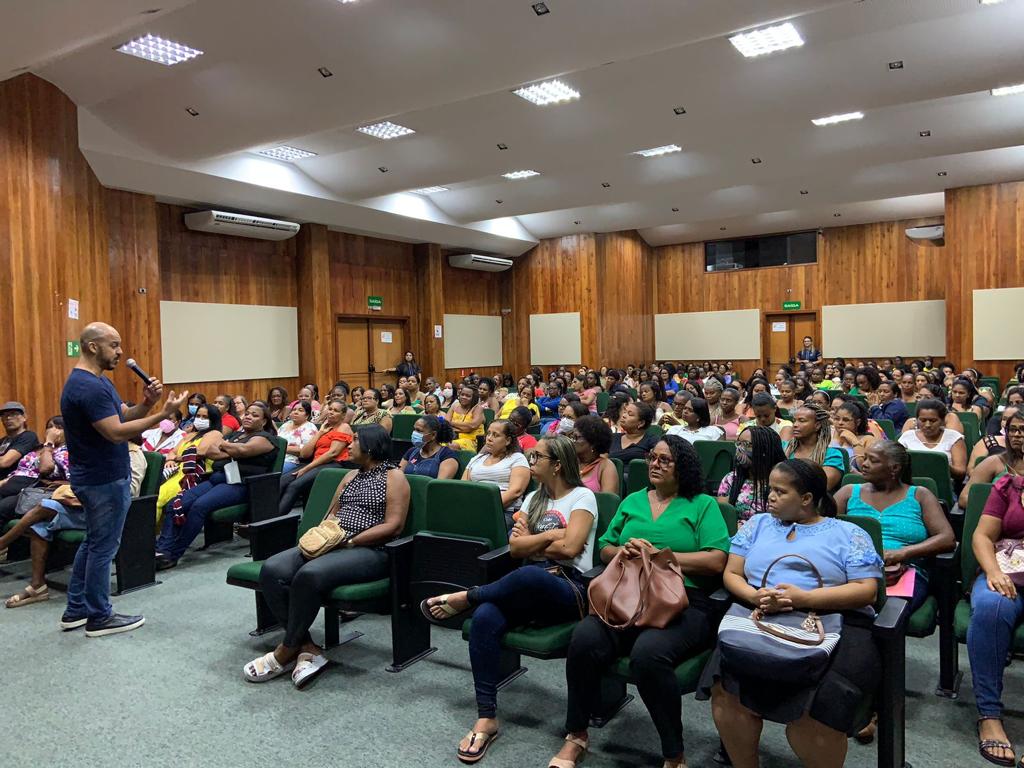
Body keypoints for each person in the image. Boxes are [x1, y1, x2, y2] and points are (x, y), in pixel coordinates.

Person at [550, 436, 730, 768]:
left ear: (683, 467)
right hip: (629, 595)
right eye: (652, 458)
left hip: (684, 601)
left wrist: (661, 556)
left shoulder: (703, 505)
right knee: (584, 639)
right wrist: (624, 551)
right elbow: (603, 548)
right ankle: (576, 734)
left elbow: (716, 560)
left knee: (648, 654)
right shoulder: (633, 500)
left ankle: (673, 754)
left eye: (665, 460)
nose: (655, 464)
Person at [423, 436, 599, 763]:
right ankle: (486, 716)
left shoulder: (583, 497)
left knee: (529, 574)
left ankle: (467, 597)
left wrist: (535, 540)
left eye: (537, 457)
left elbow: (571, 549)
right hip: (527, 583)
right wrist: (550, 536)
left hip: (568, 586)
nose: (530, 462)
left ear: (557, 464)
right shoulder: (533, 499)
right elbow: (516, 548)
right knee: (487, 617)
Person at [699, 459, 883, 768]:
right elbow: (732, 574)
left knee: (820, 708)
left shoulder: (847, 533)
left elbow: (867, 590)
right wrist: (753, 595)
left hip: (836, 620)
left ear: (807, 499)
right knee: (726, 688)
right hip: (760, 615)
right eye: (771, 489)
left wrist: (804, 597)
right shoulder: (758, 524)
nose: (770, 496)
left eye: (780, 491)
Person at [244, 425, 409, 689]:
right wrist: (323, 539)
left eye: (354, 441)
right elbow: (331, 514)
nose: (349, 445)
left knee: (309, 575)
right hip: (334, 542)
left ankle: (286, 649)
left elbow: (393, 526)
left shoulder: (394, 477)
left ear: (370, 446)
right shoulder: (351, 476)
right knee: (273, 570)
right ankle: (307, 647)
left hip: (369, 549)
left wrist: (350, 540)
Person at [59, 322, 188, 636]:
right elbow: (115, 433)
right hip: (102, 478)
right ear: (92, 346)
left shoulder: (96, 382)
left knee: (93, 544)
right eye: (113, 345)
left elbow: (120, 417)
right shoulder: (87, 386)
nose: (120, 352)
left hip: (97, 475)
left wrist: (147, 404)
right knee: (103, 548)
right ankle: (100, 616)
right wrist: (162, 415)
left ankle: (76, 609)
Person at [2, 440, 148, 608]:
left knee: (44, 507)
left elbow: (128, 491)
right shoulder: (103, 450)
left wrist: (86, 492)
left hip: (109, 513)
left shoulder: (132, 455)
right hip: (85, 506)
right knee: (39, 524)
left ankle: (3, 543)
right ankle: (38, 586)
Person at [154, 401, 276, 570]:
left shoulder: (266, 439)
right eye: (247, 413)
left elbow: (242, 451)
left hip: (240, 485)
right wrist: (232, 447)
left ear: (263, 422)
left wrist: (225, 446)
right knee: (175, 503)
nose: (248, 416)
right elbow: (211, 450)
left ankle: (174, 554)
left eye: (255, 415)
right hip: (216, 479)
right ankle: (162, 551)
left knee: (198, 507)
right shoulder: (236, 436)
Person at [836, 442, 954, 614]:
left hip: (902, 571)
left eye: (873, 460)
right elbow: (825, 528)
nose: (865, 464)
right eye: (865, 458)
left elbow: (947, 538)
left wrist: (903, 553)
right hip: (850, 569)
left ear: (894, 468)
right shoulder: (848, 492)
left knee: (886, 613)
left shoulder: (919, 495)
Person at [967, 465, 1024, 765]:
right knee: (992, 607)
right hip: (1008, 569)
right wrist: (993, 571)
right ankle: (989, 714)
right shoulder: (1008, 486)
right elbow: (982, 536)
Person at [277, 401, 354, 515]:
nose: (331, 412)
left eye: (336, 411)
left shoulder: (344, 427)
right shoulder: (326, 428)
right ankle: (265, 516)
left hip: (333, 464)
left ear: (343, 415)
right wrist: (320, 432)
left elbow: (332, 453)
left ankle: (274, 520)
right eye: (330, 409)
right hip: (317, 463)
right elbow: (304, 453)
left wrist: (306, 468)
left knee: (294, 486)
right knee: (282, 481)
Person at [155, 404, 224, 523]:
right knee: (152, 496)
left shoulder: (215, 434)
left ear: (213, 419)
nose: (200, 419)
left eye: (205, 417)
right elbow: (172, 452)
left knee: (158, 499)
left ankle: (145, 538)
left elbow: (200, 452)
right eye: (198, 416)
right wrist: (171, 459)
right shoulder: (190, 435)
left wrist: (176, 458)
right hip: (175, 472)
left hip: (192, 475)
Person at [0, 417, 68, 526]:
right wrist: (3, 482)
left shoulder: (66, 451)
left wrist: (49, 443)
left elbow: (45, 469)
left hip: (33, 490)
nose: (53, 431)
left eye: (59, 428)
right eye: (50, 427)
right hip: (11, 485)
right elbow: (20, 471)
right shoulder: (37, 449)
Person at [464, 420, 531, 529]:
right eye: (488, 433)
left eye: (496, 435)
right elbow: (462, 486)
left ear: (508, 440)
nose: (489, 438)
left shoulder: (517, 458)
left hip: (504, 512)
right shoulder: (476, 459)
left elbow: (515, 491)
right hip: (473, 509)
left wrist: (485, 506)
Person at [717, 425, 786, 525]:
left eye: (746, 444)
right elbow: (724, 517)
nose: (740, 449)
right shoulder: (731, 479)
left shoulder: (783, 482)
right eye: (739, 444)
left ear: (765, 449)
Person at [961, 409, 1024, 509]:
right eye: (1012, 429)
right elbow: (964, 498)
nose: (1016, 434)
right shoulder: (993, 463)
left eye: (1023, 429)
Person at [898, 399, 967, 483]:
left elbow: (961, 472)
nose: (927, 425)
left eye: (933, 421)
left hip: (943, 486)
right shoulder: (907, 436)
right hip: (910, 484)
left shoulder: (954, 438)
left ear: (942, 421)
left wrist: (940, 464)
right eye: (923, 420)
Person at [786, 403, 845, 490]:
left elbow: (822, 486)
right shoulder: (785, 448)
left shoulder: (831, 455)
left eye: (802, 420)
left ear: (817, 426)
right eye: (794, 420)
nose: (795, 424)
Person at [570, 415, 619, 494]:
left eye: (577, 437)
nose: (572, 441)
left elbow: (608, 502)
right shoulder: (569, 462)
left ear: (593, 443)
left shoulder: (606, 466)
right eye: (572, 437)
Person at [831, 398, 878, 472]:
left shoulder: (868, 439)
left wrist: (855, 442)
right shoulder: (829, 434)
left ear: (858, 422)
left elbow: (864, 469)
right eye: (837, 419)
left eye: (846, 420)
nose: (840, 423)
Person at [0, 402, 40, 481]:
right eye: (4, 415)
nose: (8, 418)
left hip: (16, 483)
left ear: (24, 417)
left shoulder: (28, 436)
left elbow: (5, 462)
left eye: (13, 414)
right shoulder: (2, 441)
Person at [277, 402, 319, 474]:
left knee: (271, 471)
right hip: (276, 457)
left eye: (300, 410)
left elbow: (304, 450)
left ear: (307, 415)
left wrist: (282, 448)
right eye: (294, 410)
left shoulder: (310, 428)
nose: (296, 412)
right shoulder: (286, 424)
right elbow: (276, 441)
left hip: (293, 461)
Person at [449, 384, 486, 452]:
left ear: (474, 398)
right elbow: (446, 422)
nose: (464, 397)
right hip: (452, 438)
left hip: (471, 441)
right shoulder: (454, 405)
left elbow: (472, 426)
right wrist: (465, 428)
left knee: (450, 446)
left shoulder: (478, 408)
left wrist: (451, 424)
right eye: (462, 394)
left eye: (468, 396)